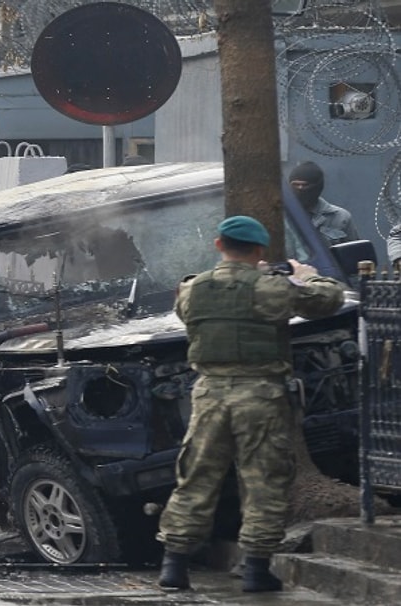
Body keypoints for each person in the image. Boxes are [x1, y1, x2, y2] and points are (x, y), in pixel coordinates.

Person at [156, 215, 345, 593]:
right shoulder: (271, 288)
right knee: (264, 481)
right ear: (259, 250)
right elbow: (330, 299)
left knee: (196, 479)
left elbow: (187, 313)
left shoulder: (193, 289)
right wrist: (303, 275)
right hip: (260, 396)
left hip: (209, 394)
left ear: (217, 245)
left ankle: (174, 565)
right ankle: (257, 568)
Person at [288, 161, 359, 245]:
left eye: (305, 185)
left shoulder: (340, 218)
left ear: (317, 187)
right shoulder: (281, 215)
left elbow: (354, 253)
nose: (300, 189)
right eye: (296, 185)